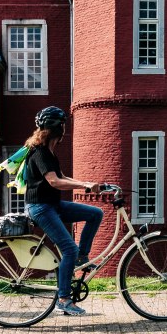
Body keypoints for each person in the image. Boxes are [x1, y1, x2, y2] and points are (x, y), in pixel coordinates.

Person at [22, 106, 104, 317]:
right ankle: (64, 299)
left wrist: (87, 183)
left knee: (95, 214)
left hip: (53, 205)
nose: (65, 128)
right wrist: (84, 185)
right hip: (40, 208)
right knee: (68, 248)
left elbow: (62, 177)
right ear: (57, 127)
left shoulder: (49, 152)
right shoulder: (39, 152)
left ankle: (81, 257)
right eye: (63, 124)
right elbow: (54, 181)